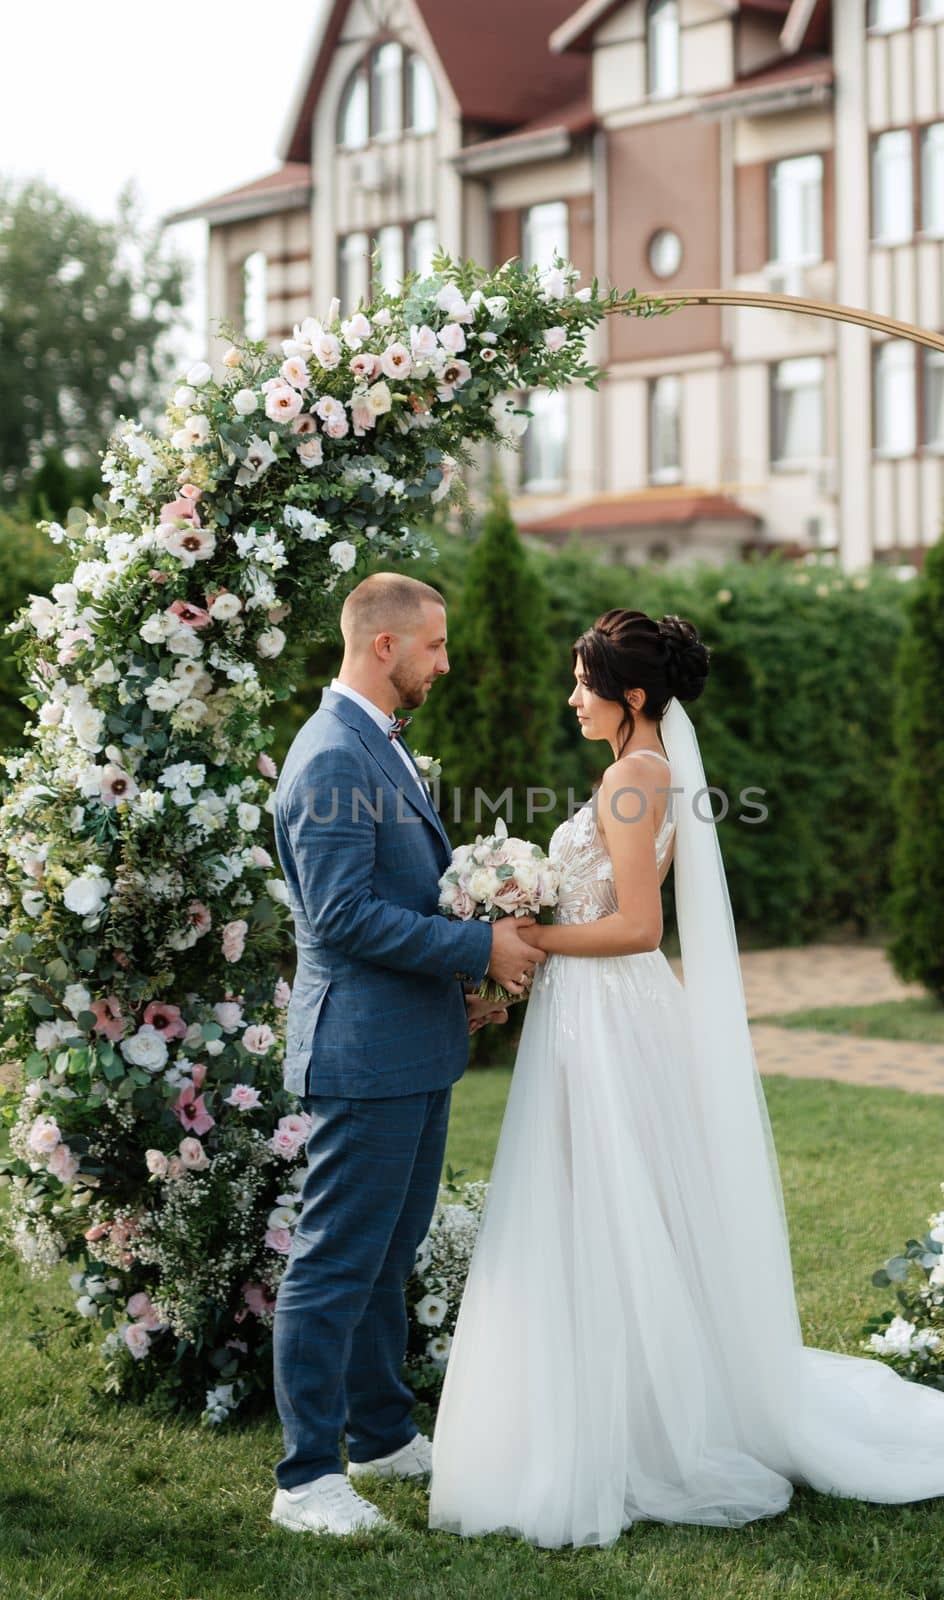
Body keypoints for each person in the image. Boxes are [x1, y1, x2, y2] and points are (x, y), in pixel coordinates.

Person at [428, 606, 944, 1549]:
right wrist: (512, 967)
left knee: (611, 1203)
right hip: (596, 1010)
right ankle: (631, 1396)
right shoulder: (653, 772)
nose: (571, 697)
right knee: (609, 1204)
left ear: (631, 696)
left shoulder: (631, 781)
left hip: (612, 1014)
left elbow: (640, 928)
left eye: (583, 682)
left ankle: (641, 1423)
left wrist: (521, 939)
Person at [269, 572, 544, 1536]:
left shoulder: (377, 745)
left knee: (388, 1255)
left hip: (411, 1045)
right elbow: (342, 918)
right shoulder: (333, 757)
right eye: (433, 644)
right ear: (382, 645)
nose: (447, 660)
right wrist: (482, 948)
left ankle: (381, 1434)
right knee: (336, 1262)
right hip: (360, 1052)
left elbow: (399, 896)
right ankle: (305, 1480)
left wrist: (458, 989)